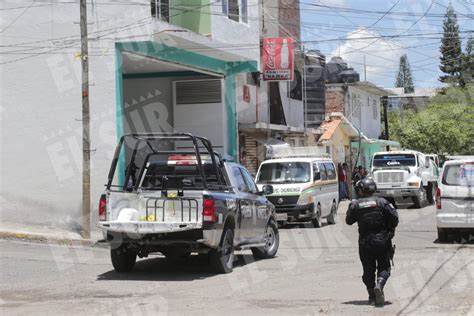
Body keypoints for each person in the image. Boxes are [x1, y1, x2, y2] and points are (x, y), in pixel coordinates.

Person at [346, 178, 399, 307]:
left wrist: (351, 207)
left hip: (365, 242)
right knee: (384, 267)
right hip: (382, 240)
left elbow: (349, 221)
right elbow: (394, 218)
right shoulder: (382, 202)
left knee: (368, 270)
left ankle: (371, 297)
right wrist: (390, 230)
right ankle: (380, 285)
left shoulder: (356, 205)